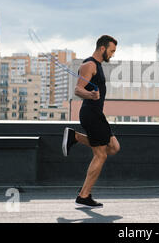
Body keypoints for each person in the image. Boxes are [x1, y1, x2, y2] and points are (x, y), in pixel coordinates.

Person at [62, 35, 120, 209]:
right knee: (101, 154)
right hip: (90, 114)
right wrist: (90, 94)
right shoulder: (89, 65)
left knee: (114, 147)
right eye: (112, 50)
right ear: (102, 48)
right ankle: (84, 195)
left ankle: (75, 137)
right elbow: (78, 89)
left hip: (96, 114)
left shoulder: (98, 66)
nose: (113, 54)